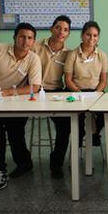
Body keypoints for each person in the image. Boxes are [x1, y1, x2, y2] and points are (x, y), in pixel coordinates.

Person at [0, 22, 42, 190]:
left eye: (29, 38)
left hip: (12, 100)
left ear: (33, 41)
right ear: (14, 37)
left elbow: (35, 86)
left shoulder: (33, 58)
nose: (25, 41)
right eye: (21, 36)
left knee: (15, 130)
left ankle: (24, 163)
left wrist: (8, 92)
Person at [33, 15, 71, 179]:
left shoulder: (68, 54)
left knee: (65, 126)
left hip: (55, 92)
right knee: (15, 123)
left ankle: (56, 162)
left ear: (68, 34)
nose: (61, 32)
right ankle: (23, 162)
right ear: (51, 28)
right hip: (33, 91)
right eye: (58, 27)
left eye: (65, 30)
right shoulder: (35, 46)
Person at [64, 21, 108, 147]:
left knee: (104, 113)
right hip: (76, 91)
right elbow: (67, 80)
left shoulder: (102, 55)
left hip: (96, 91)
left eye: (95, 35)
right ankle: (79, 136)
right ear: (82, 35)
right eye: (88, 35)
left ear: (98, 38)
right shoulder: (72, 54)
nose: (91, 38)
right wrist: (79, 93)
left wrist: (95, 93)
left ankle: (95, 133)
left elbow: (103, 81)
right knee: (77, 116)